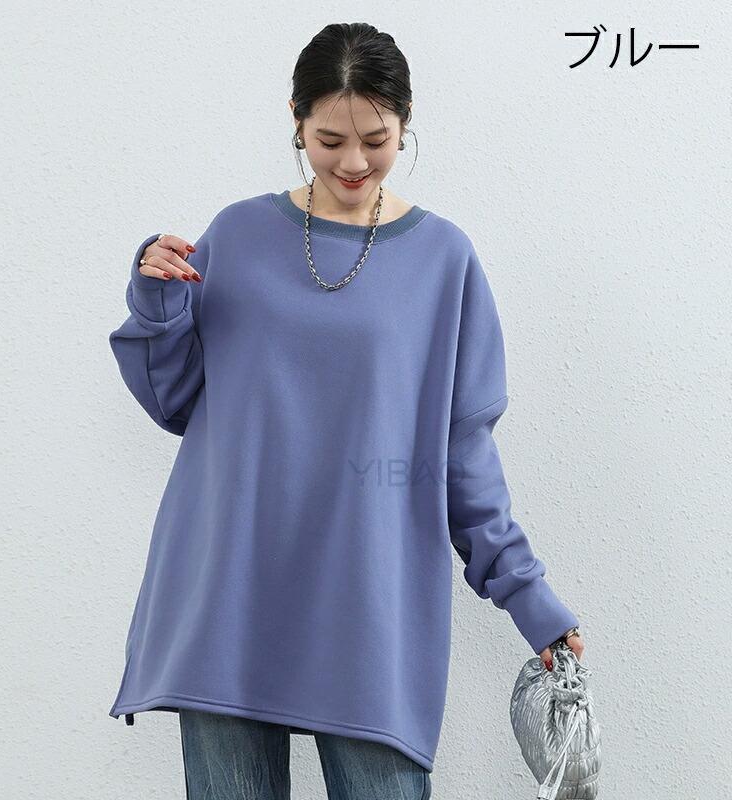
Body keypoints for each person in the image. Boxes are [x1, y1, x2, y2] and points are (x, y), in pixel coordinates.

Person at [108, 21, 586, 800]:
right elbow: (175, 400)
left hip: (369, 604)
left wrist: (530, 598)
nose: (354, 162)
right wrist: (156, 297)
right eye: (329, 140)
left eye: (377, 139)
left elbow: (463, 456)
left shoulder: (443, 261)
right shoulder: (239, 235)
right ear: (296, 119)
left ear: (406, 122)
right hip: (228, 588)